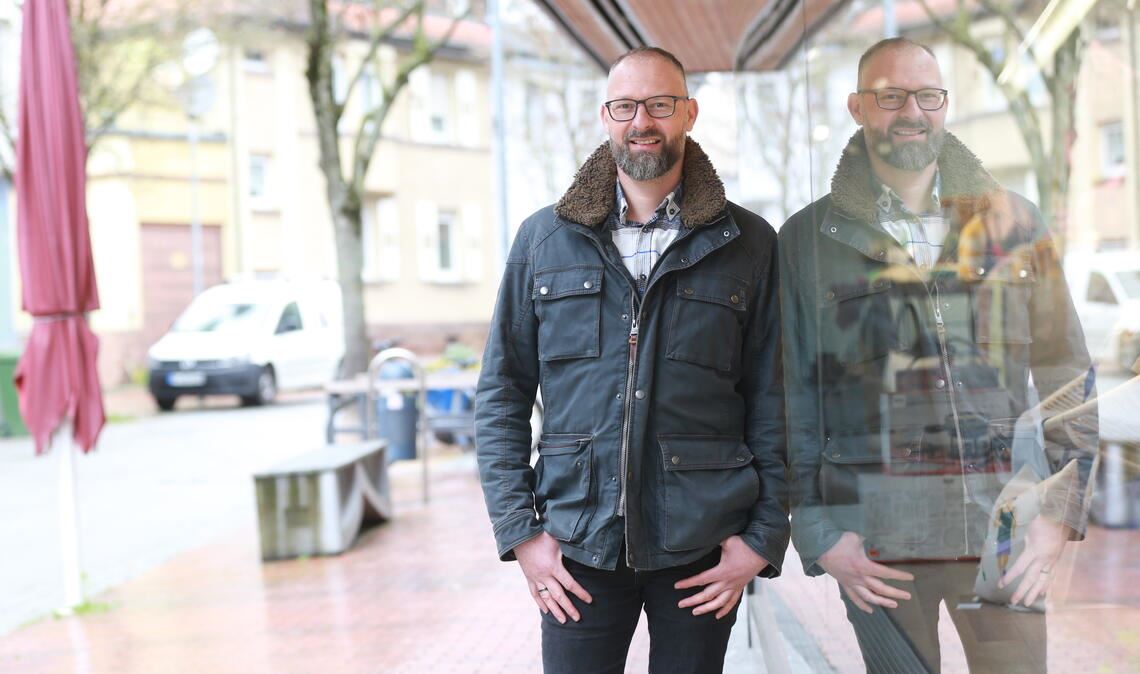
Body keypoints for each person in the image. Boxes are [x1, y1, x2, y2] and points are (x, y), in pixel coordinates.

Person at [779, 38, 1097, 672]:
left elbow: (1066, 372)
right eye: (891, 96)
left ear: (944, 105)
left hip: (1003, 528)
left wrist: (1059, 514)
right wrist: (821, 534)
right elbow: (787, 396)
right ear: (857, 107)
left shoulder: (1015, 224)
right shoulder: (806, 241)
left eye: (927, 96)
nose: (912, 112)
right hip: (876, 539)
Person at [475, 46, 788, 674]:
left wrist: (761, 539)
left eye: (659, 104)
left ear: (689, 113)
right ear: (606, 116)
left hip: (702, 546)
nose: (641, 121)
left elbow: (777, 396)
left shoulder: (749, 242)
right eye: (625, 106)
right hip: (578, 547)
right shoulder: (544, 240)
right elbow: (502, 392)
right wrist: (520, 533)